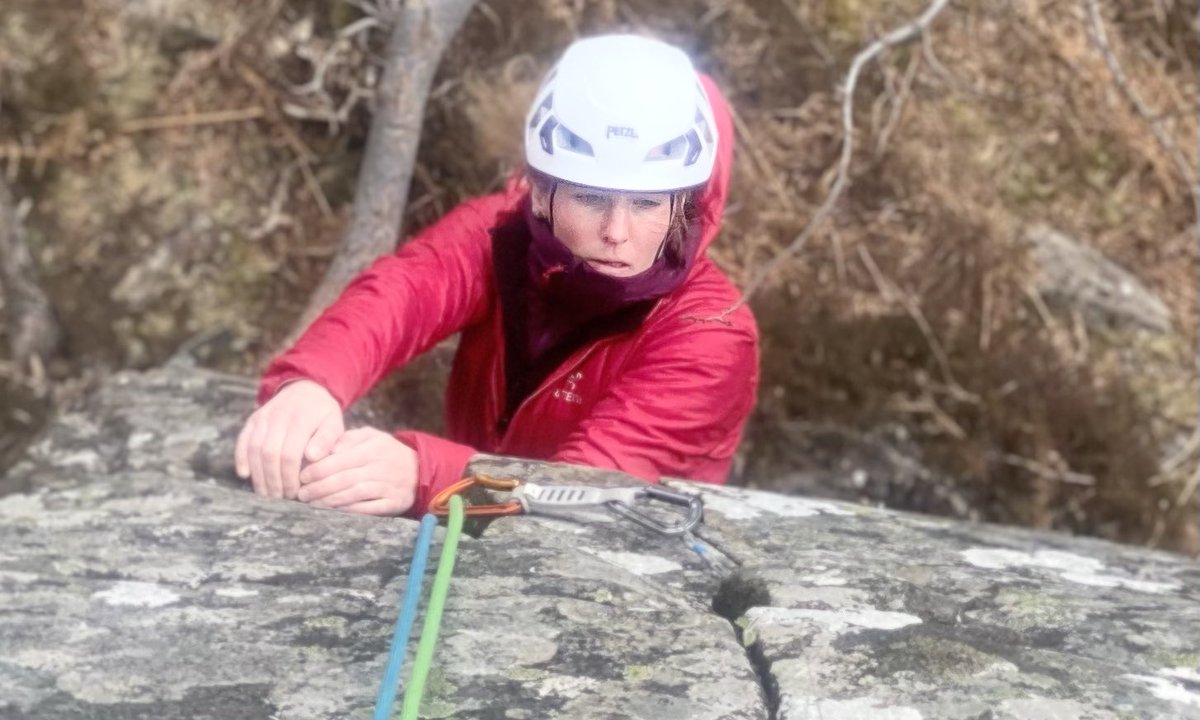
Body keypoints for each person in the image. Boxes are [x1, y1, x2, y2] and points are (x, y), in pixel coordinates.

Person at [234, 34, 759, 517]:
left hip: (632, 566)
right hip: (483, 522)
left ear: (683, 204)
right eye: (591, 196)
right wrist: (313, 384)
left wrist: (426, 478)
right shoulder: (500, 235)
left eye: (646, 204)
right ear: (540, 189)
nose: (616, 231)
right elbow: (403, 293)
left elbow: (590, 491)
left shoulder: (711, 335)